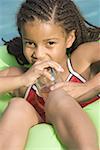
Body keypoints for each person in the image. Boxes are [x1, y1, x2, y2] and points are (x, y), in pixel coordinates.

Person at [0, 0, 100, 149]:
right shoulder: (20, 76)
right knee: (17, 106)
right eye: (30, 43)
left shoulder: (81, 60)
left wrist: (88, 87)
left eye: (50, 43)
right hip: (37, 117)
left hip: (67, 111)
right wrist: (22, 79)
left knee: (57, 96)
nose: (38, 54)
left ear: (69, 39)